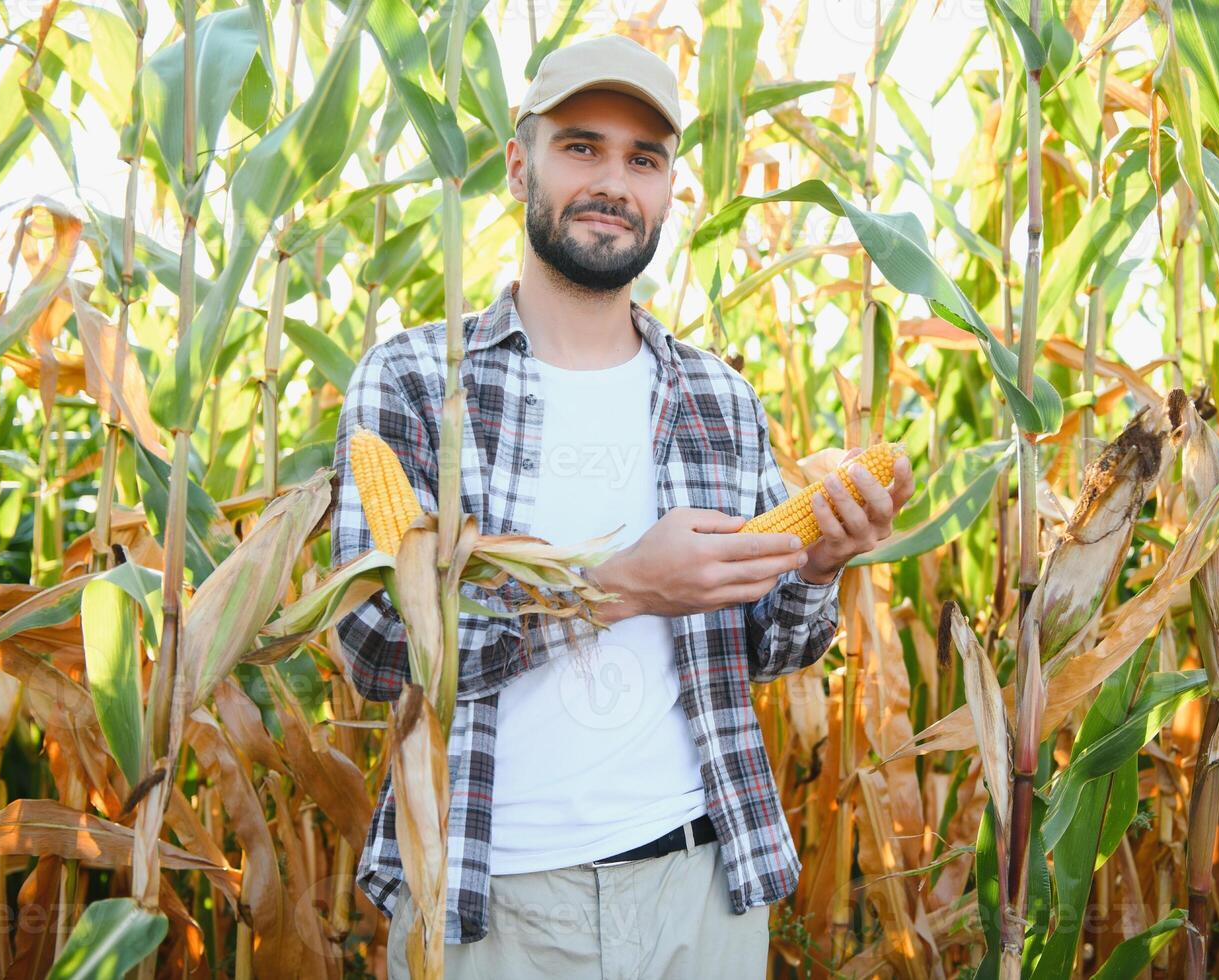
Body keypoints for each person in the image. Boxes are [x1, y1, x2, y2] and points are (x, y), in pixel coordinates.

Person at [330, 32, 916, 979]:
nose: (613, 181)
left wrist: (817, 565)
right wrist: (621, 588)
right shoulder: (413, 381)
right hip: (490, 902)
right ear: (520, 166)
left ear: (669, 190)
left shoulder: (718, 396)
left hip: (701, 892)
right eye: (581, 148)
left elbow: (773, 646)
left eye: (643, 159)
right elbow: (372, 644)